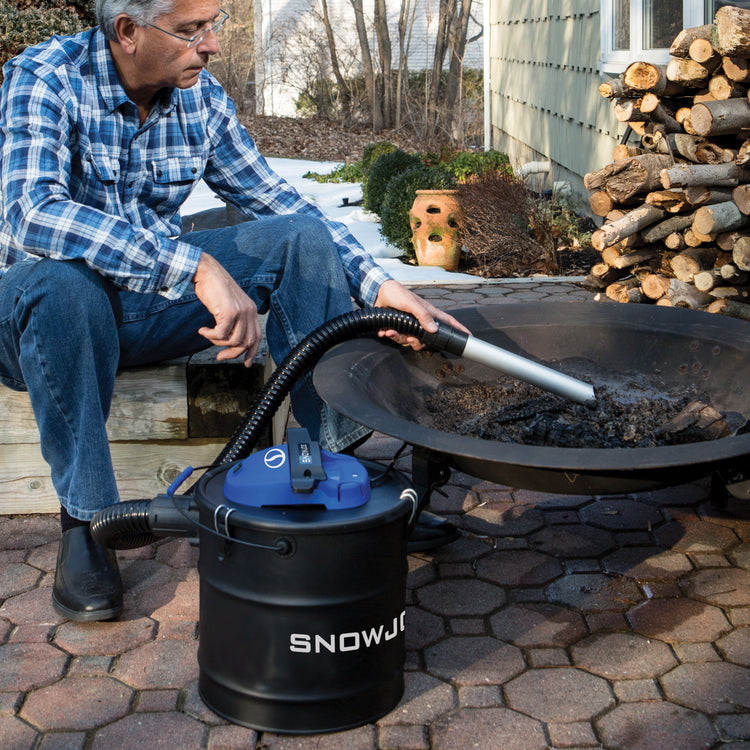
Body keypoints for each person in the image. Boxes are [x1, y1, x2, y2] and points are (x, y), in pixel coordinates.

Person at [0, 0, 467, 622]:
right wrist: (195, 267)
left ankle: (338, 478)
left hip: (136, 307)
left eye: (213, 25)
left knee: (298, 238)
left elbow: (276, 200)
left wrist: (378, 285)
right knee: (64, 285)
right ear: (128, 32)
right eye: (192, 30)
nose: (213, 44)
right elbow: (31, 211)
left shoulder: (201, 98)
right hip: (32, 315)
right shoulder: (46, 78)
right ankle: (87, 525)